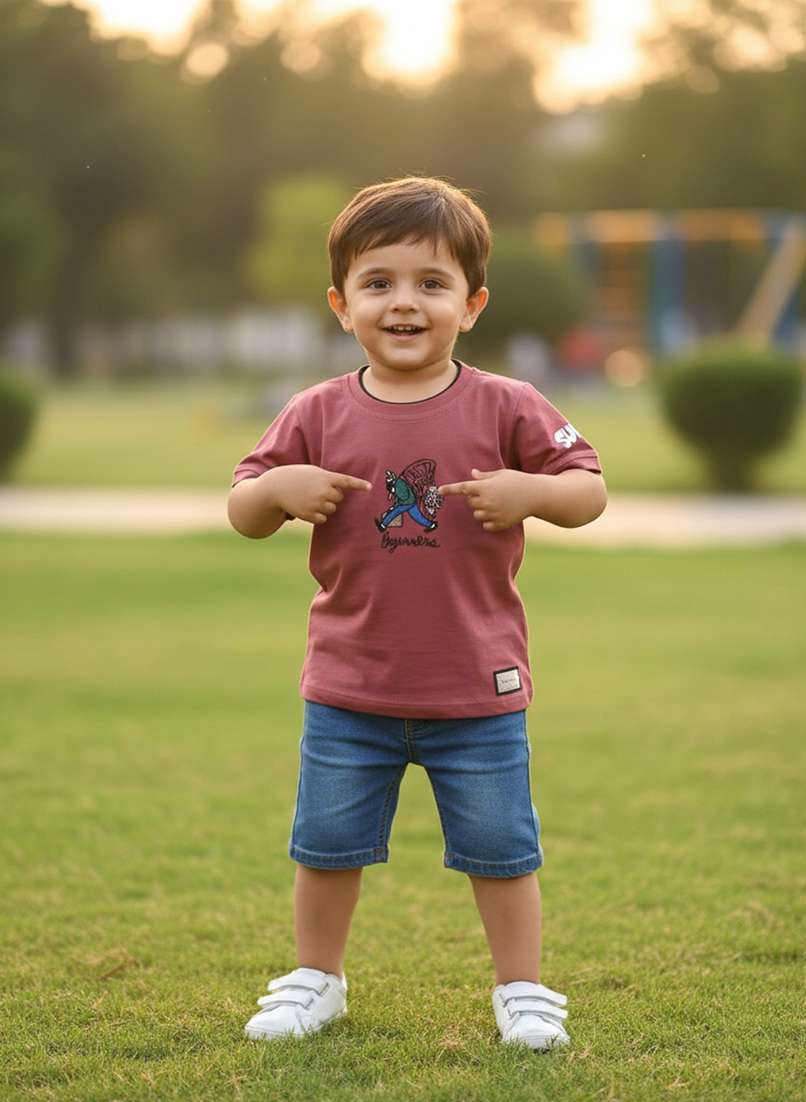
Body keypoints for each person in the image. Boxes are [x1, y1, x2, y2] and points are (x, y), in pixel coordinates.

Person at [227, 176, 606, 1051]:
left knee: (502, 846)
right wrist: (279, 488)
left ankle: (522, 989)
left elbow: (588, 489)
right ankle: (317, 979)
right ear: (341, 304)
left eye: (431, 283)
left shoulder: (508, 404)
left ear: (471, 305)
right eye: (379, 282)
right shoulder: (316, 411)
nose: (404, 302)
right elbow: (244, 509)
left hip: (477, 688)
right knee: (326, 845)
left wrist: (533, 492)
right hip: (349, 688)